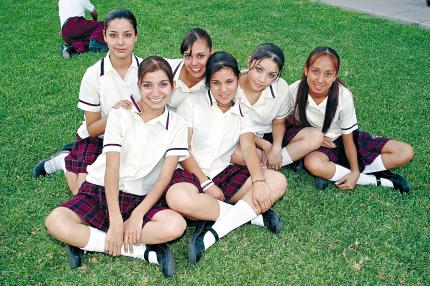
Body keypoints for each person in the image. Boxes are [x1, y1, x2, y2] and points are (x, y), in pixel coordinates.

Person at [44, 56, 189, 277]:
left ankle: (88, 238)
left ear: (172, 86)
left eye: (163, 84)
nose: (155, 92)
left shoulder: (178, 125)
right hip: (101, 190)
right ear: (139, 85)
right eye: (148, 85)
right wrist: (116, 220)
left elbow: (164, 177)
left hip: (139, 198)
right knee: (56, 221)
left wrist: (138, 214)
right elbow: (112, 168)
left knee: (175, 225)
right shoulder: (121, 114)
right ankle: (143, 253)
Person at [166, 51, 287, 264]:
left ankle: (212, 233)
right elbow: (182, 150)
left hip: (223, 172)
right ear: (208, 83)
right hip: (190, 173)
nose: (224, 90)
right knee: (178, 199)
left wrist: (258, 182)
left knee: (277, 181)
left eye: (230, 82)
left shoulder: (242, 111)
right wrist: (205, 183)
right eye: (216, 83)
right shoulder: (192, 104)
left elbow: (248, 148)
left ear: (237, 80)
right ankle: (250, 215)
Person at [33, 9, 142, 196]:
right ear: (104, 37)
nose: (121, 42)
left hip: (132, 139)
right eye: (113, 35)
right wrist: (116, 115)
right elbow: (92, 128)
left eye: (127, 35)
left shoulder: (147, 69)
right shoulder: (93, 74)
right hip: (97, 137)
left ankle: (72, 156)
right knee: (82, 192)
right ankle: (65, 160)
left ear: (136, 36)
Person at [290, 46, 414, 192]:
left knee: (405, 152)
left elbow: (349, 139)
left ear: (335, 76)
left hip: (344, 140)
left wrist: (355, 171)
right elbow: (284, 124)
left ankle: (334, 173)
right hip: (317, 147)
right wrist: (312, 137)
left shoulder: (343, 96)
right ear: (306, 70)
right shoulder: (295, 90)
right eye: (315, 71)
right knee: (314, 164)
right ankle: (377, 180)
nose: (320, 80)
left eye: (328, 74)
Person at [231, 43, 323, 170]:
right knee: (234, 154)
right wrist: (263, 144)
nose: (262, 79)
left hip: (269, 133)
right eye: (259, 69)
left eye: (271, 75)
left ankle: (273, 160)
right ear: (249, 61)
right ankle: (278, 160)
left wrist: (276, 147)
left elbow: (278, 123)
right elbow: (229, 126)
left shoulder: (280, 87)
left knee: (316, 136)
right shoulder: (230, 84)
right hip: (239, 136)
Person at [165, 28, 214, 111]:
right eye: (188, 56)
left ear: (211, 52)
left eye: (200, 56)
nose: (194, 63)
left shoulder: (216, 81)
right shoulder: (165, 69)